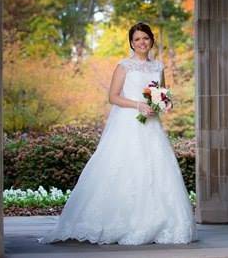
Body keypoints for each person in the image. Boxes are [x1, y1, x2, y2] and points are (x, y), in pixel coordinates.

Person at [39, 22, 197, 245]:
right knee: (124, 166)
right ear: (131, 43)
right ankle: (118, 222)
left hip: (151, 125)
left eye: (145, 38)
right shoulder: (124, 66)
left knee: (156, 169)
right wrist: (138, 105)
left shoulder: (158, 66)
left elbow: (160, 94)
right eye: (137, 39)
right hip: (128, 123)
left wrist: (166, 104)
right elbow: (113, 97)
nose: (142, 42)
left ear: (151, 40)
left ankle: (159, 223)